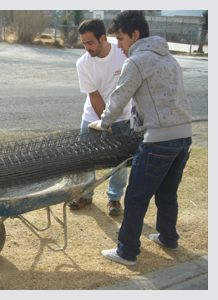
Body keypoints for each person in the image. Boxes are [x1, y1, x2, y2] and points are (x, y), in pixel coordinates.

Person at [89, 10, 192, 265]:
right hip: (184, 136)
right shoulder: (168, 57)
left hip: (160, 139)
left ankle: (127, 252)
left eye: (121, 38)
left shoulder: (136, 61)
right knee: (167, 193)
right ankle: (168, 237)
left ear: (135, 35)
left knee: (135, 196)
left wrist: (103, 123)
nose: (119, 45)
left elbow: (120, 97)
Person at [68, 18, 132, 216]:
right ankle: (85, 194)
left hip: (122, 116)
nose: (86, 47)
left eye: (90, 43)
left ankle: (114, 198)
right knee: (85, 157)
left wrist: (113, 122)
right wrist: (105, 123)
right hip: (92, 115)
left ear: (103, 38)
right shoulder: (83, 63)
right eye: (84, 43)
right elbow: (94, 96)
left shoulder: (123, 55)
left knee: (119, 160)